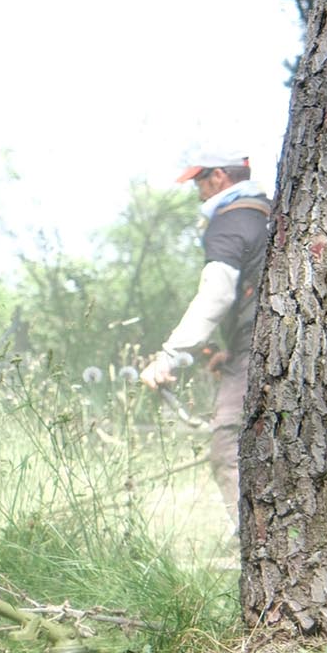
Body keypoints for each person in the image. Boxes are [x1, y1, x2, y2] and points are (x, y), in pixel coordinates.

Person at [139, 153, 273, 525]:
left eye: (199, 181)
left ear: (218, 177)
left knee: (227, 449)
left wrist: (168, 357)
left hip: (254, 350)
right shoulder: (270, 213)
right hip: (275, 348)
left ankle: (254, 550)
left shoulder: (229, 222)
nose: (197, 191)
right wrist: (229, 349)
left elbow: (216, 296)